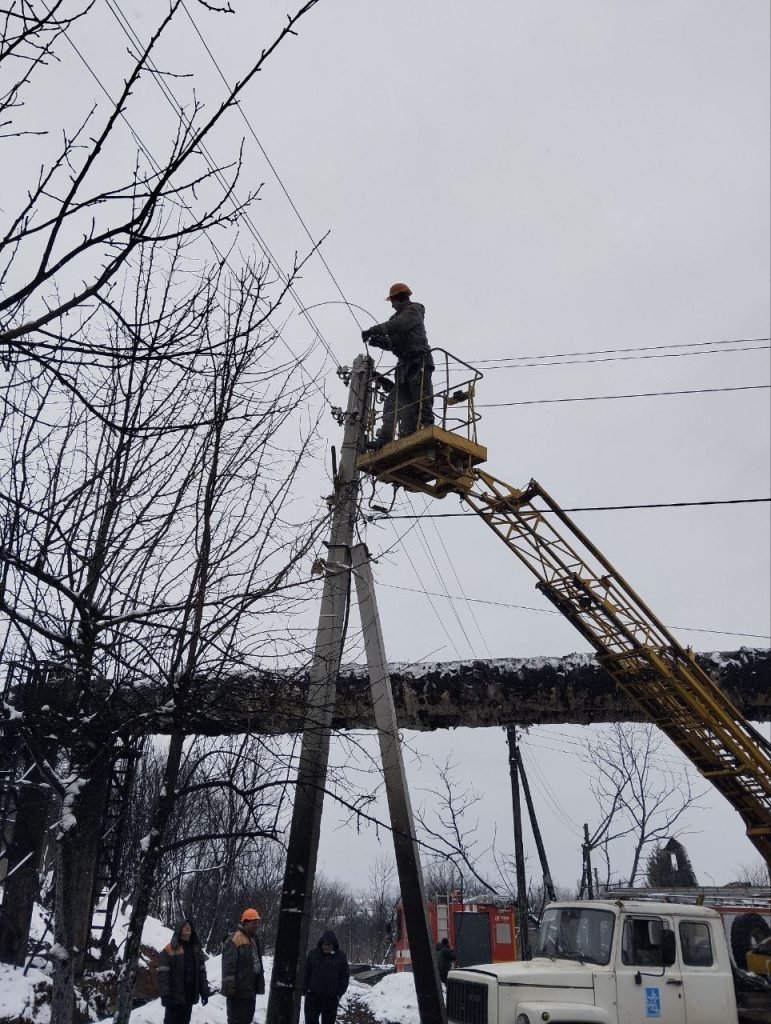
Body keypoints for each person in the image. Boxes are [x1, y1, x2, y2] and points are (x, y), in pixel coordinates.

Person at [362, 282, 435, 446]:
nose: (392, 305)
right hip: (403, 367)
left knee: (420, 395)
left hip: (419, 361)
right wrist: (379, 342)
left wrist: (373, 330)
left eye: (393, 301)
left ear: (401, 298)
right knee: (393, 403)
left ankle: (427, 425)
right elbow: (393, 342)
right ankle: (385, 437)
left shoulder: (414, 311)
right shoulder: (396, 318)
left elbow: (398, 326)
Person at [157, 919, 209, 1024]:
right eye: (184, 925)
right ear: (179, 929)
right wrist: (165, 994)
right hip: (173, 998)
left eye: (189, 925)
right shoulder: (169, 949)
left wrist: (204, 992)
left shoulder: (197, 950)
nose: (188, 927)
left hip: (189, 997)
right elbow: (163, 973)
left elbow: (201, 972)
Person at [221, 908, 265, 1024]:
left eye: (257, 922)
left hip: (250, 992)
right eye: (253, 923)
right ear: (245, 923)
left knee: (247, 1020)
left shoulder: (254, 939)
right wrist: (230, 990)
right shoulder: (235, 939)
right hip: (238, 993)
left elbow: (257, 964)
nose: (256, 925)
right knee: (236, 1021)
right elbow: (228, 967)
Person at [303, 929, 350, 1024]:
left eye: (329, 945)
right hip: (313, 996)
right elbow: (305, 973)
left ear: (333, 945)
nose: (326, 947)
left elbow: (345, 976)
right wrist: (305, 989)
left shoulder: (340, 957)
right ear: (321, 944)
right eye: (325, 944)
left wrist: (339, 993)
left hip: (331, 998)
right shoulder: (313, 954)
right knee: (310, 1021)